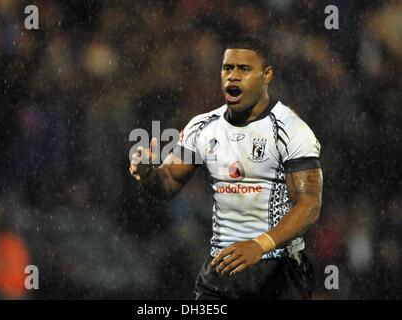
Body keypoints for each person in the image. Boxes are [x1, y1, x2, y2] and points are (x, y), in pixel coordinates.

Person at [129, 36, 323, 300]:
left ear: (266, 75)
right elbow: (167, 184)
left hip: (279, 271)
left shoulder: (292, 130)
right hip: (222, 270)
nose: (233, 76)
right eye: (227, 68)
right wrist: (148, 173)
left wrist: (259, 245)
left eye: (244, 69)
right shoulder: (203, 126)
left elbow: (309, 205)